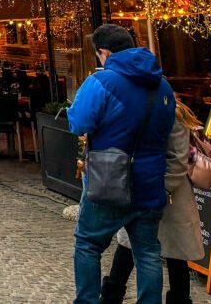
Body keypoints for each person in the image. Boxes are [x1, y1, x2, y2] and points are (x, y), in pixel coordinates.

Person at [68, 24, 176, 304]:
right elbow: (167, 129)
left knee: (88, 244)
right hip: (151, 179)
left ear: (104, 52)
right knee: (148, 252)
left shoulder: (102, 81)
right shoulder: (163, 84)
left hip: (110, 177)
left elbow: (79, 122)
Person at [100, 99, 204, 304]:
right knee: (128, 244)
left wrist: (161, 189)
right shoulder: (139, 106)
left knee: (174, 254)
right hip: (147, 189)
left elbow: (178, 160)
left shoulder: (173, 113)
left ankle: (176, 299)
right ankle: (111, 297)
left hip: (170, 196)